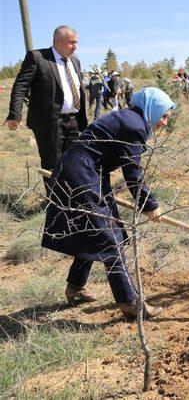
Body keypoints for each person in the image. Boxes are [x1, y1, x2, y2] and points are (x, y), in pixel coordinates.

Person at [42, 87, 175, 319]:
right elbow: (132, 173)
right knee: (109, 239)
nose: (164, 122)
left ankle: (75, 286)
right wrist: (150, 205)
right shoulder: (134, 125)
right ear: (152, 109)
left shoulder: (131, 118)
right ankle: (131, 303)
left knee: (102, 233)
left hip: (86, 173)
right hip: (79, 176)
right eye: (163, 115)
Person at [4, 25, 88, 195]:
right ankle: (55, 204)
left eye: (76, 43)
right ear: (58, 41)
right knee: (52, 163)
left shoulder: (75, 61)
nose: (75, 46)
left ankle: (71, 199)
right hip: (49, 121)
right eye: (71, 42)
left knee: (74, 161)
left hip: (74, 120)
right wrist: (15, 113)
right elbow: (21, 86)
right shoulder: (38, 57)